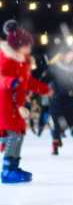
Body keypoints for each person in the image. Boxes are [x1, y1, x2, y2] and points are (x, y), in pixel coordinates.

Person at [0, 20, 51, 183]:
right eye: (26, 45)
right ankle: (7, 170)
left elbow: (28, 81)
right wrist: (10, 82)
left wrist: (45, 89)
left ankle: (14, 166)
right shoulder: (7, 58)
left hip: (17, 104)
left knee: (19, 134)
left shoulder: (24, 62)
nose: (29, 48)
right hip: (5, 102)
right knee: (14, 134)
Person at [48, 48, 73, 156]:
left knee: (72, 121)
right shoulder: (55, 67)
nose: (71, 57)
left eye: (72, 55)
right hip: (56, 98)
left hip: (69, 97)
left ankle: (59, 134)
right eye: (69, 55)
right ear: (64, 55)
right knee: (56, 122)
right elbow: (49, 79)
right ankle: (55, 143)